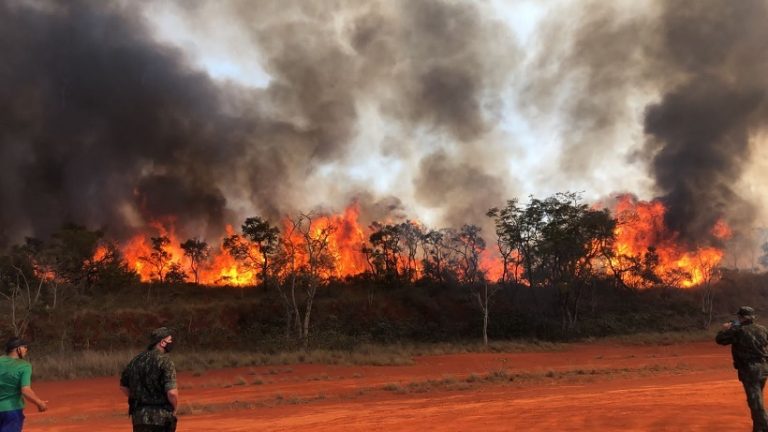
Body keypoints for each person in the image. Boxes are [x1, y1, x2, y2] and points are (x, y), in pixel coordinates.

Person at [717, 306, 768, 432]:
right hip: (763, 367)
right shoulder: (762, 329)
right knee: (757, 398)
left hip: (749, 369)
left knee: (755, 402)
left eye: (739, 317)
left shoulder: (738, 331)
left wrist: (726, 329)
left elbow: (720, 340)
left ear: (742, 317)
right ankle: (758, 429)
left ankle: (765, 426)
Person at [120, 327, 178, 432]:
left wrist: (139, 397)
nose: (171, 343)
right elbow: (172, 393)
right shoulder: (165, 362)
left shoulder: (135, 360)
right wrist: (174, 407)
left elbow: (123, 386)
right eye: (170, 340)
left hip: (139, 418)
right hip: (162, 418)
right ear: (162, 343)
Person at [0, 337, 47, 432]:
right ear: (17, 349)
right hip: (12, 410)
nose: (26, 349)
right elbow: (25, 390)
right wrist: (39, 403)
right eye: (24, 347)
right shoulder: (24, 366)